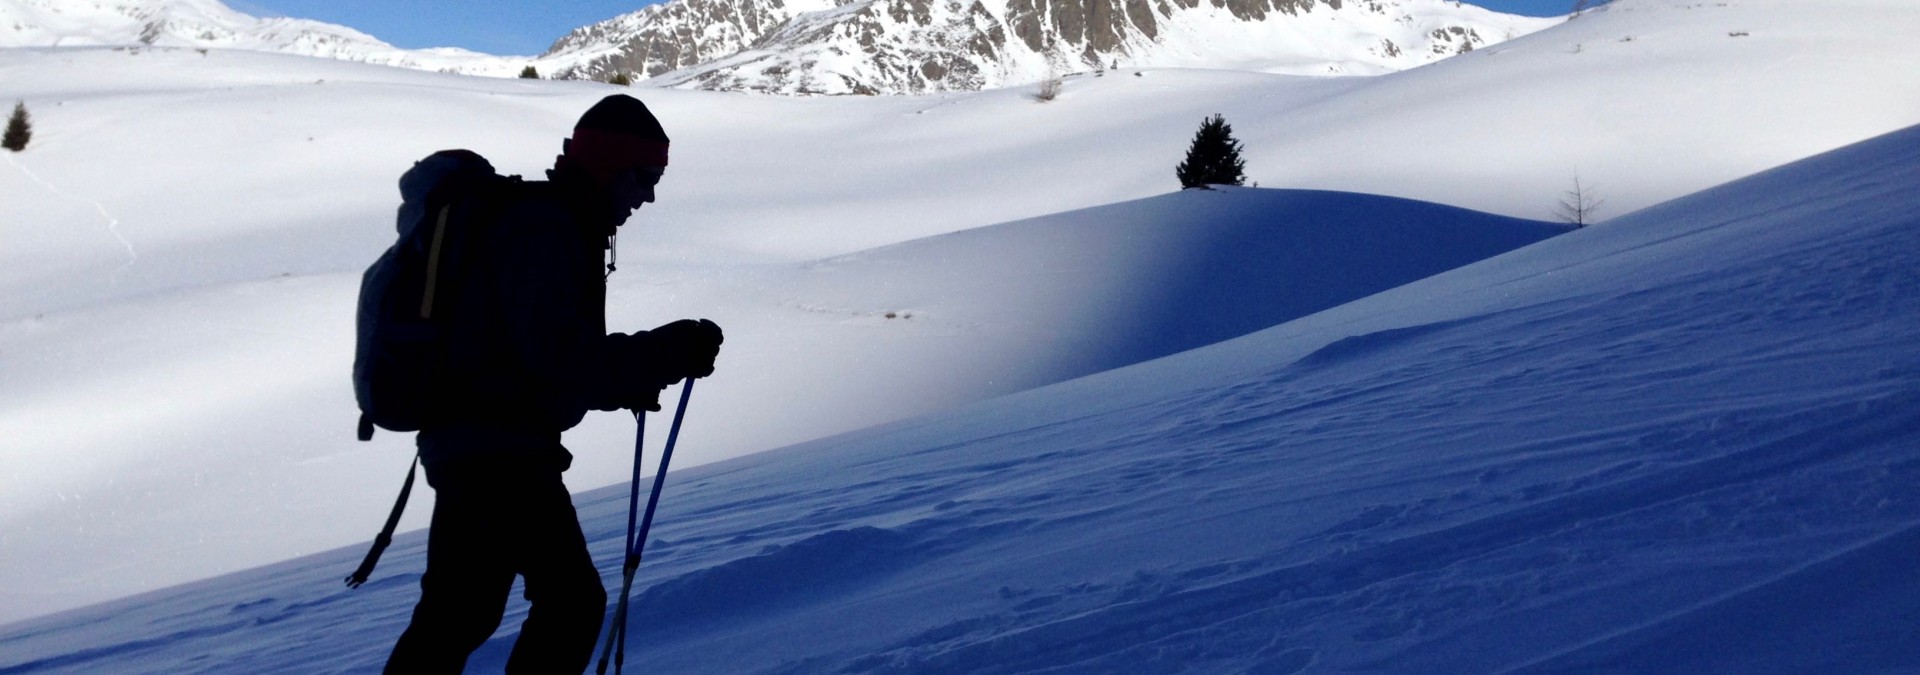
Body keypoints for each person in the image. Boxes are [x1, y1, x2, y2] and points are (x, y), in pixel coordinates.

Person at [383, 94, 724, 674]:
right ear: (611, 166)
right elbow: (565, 364)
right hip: (499, 450)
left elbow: (541, 357)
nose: (649, 195)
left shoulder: (554, 223)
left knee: (460, 612)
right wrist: (668, 353)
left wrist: (628, 378)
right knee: (569, 601)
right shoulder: (545, 228)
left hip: (475, 443)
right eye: (645, 177)